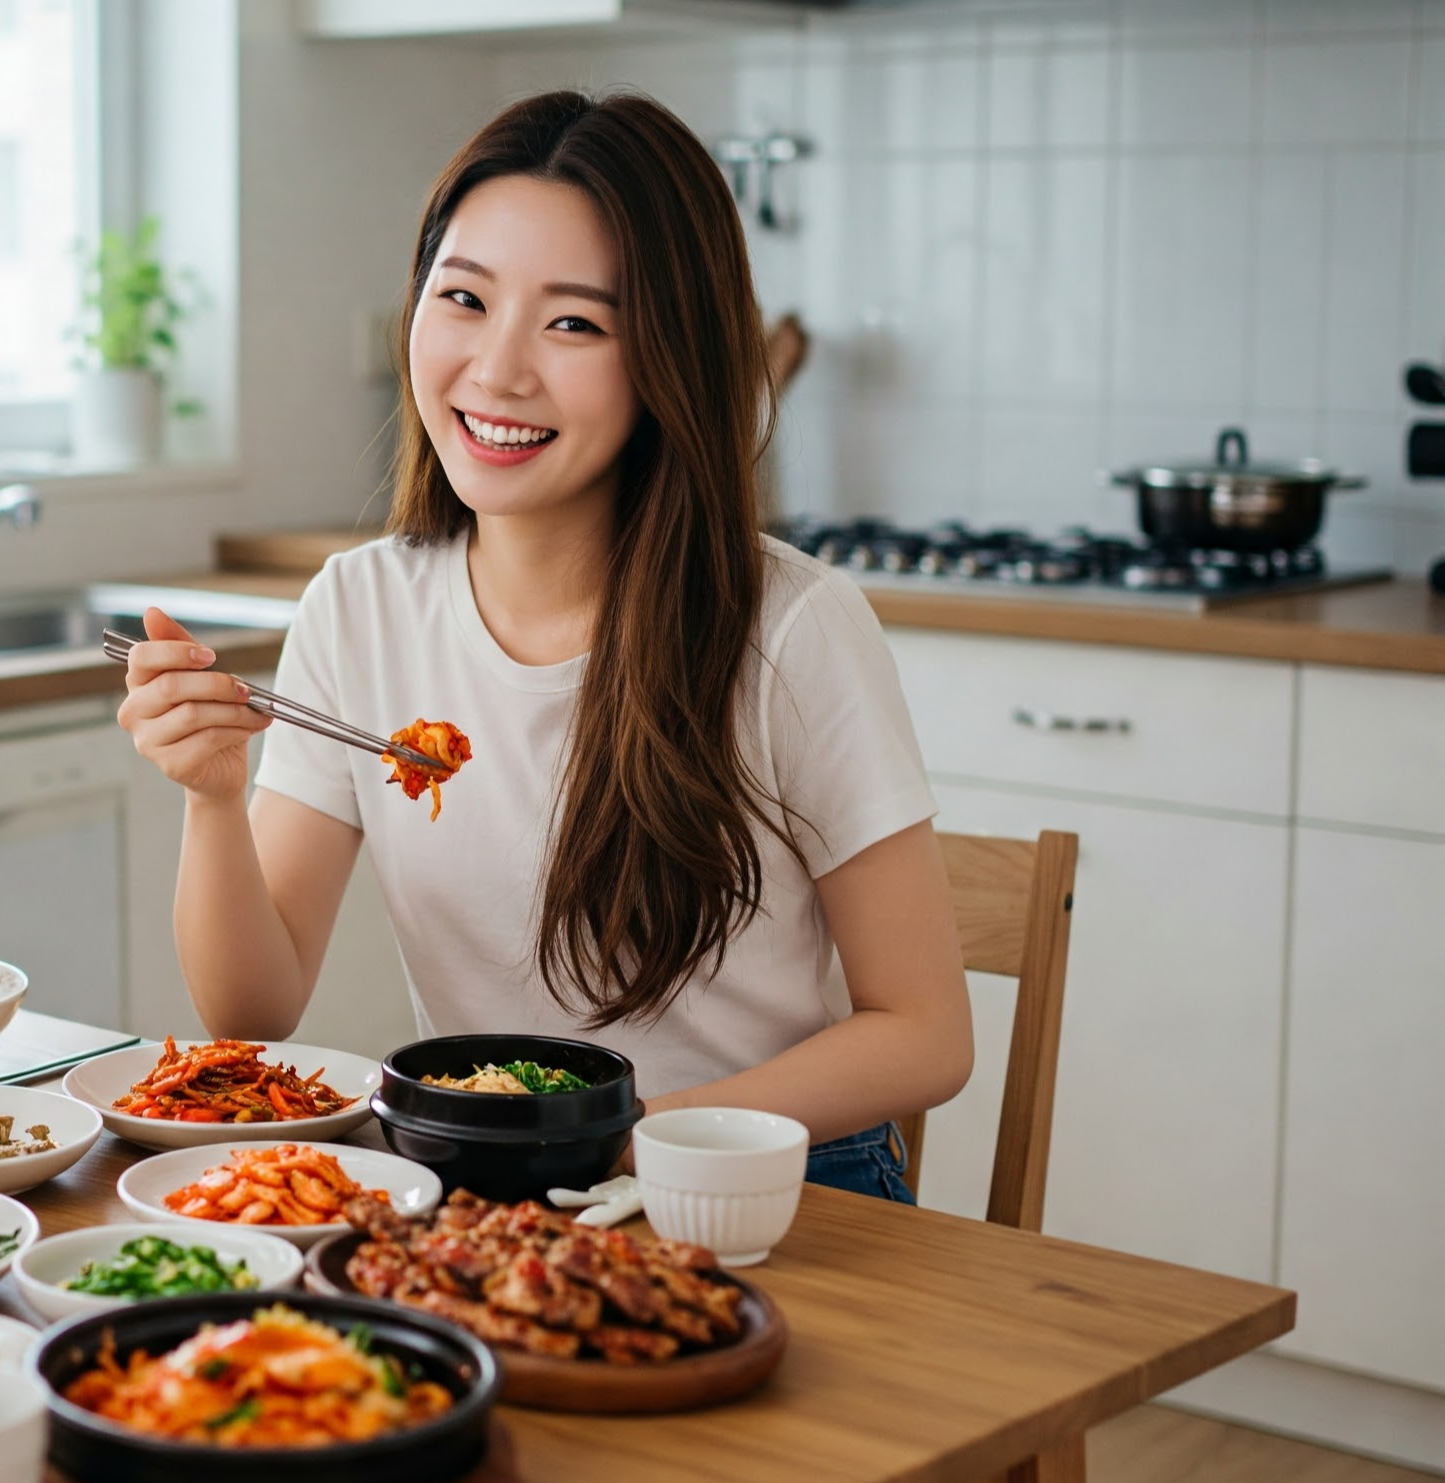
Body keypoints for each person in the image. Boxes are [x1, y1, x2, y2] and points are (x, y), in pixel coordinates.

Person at [115, 90, 971, 1202]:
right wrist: (212, 797)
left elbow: (923, 1035)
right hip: (490, 1179)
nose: (498, 370)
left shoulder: (788, 626)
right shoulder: (357, 607)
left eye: (573, 322)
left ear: (667, 356)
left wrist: (618, 1139)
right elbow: (250, 1010)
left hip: (769, 1177)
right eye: (462, 298)